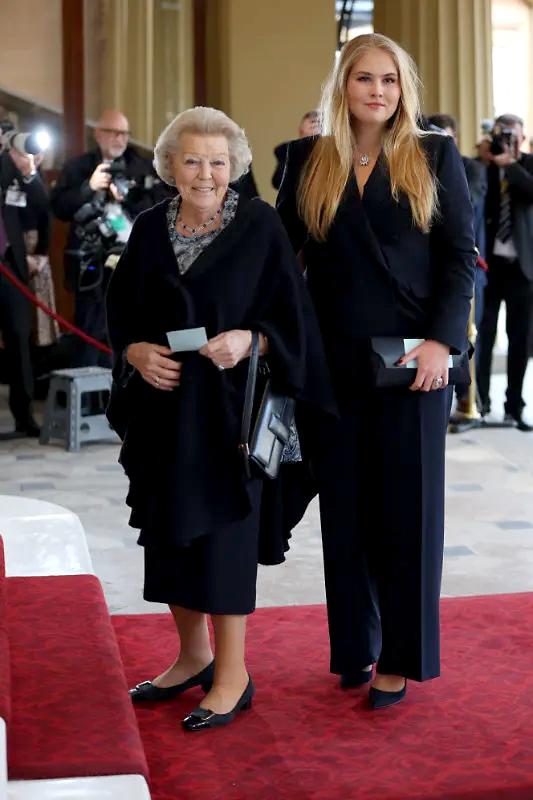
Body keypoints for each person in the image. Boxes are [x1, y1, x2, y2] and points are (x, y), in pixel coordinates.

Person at [105, 106, 333, 731]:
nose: (205, 173)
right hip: (165, 408)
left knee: (225, 541)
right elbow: (122, 308)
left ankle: (233, 675)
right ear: (170, 166)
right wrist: (134, 351)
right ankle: (192, 656)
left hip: (233, 415)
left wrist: (250, 341)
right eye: (192, 159)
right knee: (168, 532)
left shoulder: (258, 225)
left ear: (234, 166)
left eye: (218, 161)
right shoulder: (150, 228)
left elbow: (293, 320)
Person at [277, 33, 475, 709]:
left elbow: (456, 257)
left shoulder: (433, 153)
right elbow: (281, 260)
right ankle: (355, 648)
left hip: (409, 362)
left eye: (388, 80)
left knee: (406, 515)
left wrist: (442, 345)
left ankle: (401, 654)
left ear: (402, 89)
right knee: (347, 514)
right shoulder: (307, 159)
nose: (377, 91)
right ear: (343, 86)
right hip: (331, 364)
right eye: (364, 78)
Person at [51, 109, 171, 366]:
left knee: (129, 328)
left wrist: (128, 199)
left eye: (125, 133)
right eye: (114, 132)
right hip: (89, 262)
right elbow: (59, 207)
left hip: (131, 262)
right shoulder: (77, 167)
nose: (120, 139)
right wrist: (89, 188)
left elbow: (160, 209)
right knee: (89, 329)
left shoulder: (142, 167)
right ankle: (89, 400)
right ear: (98, 134)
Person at [427, 113, 488, 418]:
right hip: (427, 274)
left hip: (466, 267)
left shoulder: (469, 167)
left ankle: (469, 398)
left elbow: (470, 202)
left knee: (468, 333)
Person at [476, 114, 533, 431]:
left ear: (523, 137)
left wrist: (510, 163)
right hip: (488, 266)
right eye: (502, 134)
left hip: (522, 268)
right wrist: (489, 161)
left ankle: (515, 407)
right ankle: (480, 404)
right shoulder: (482, 166)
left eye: (513, 134)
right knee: (483, 336)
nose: (508, 139)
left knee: (520, 339)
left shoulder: (528, 164)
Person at [0, 144, 50, 438]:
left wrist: (29, 170)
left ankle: (24, 416)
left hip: (11, 266)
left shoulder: (10, 169)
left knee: (19, 338)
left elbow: (41, 207)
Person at [272, 110, 321, 190]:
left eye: (318, 121)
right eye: (311, 120)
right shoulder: (288, 151)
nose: (315, 122)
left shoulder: (331, 153)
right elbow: (278, 181)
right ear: (300, 130)